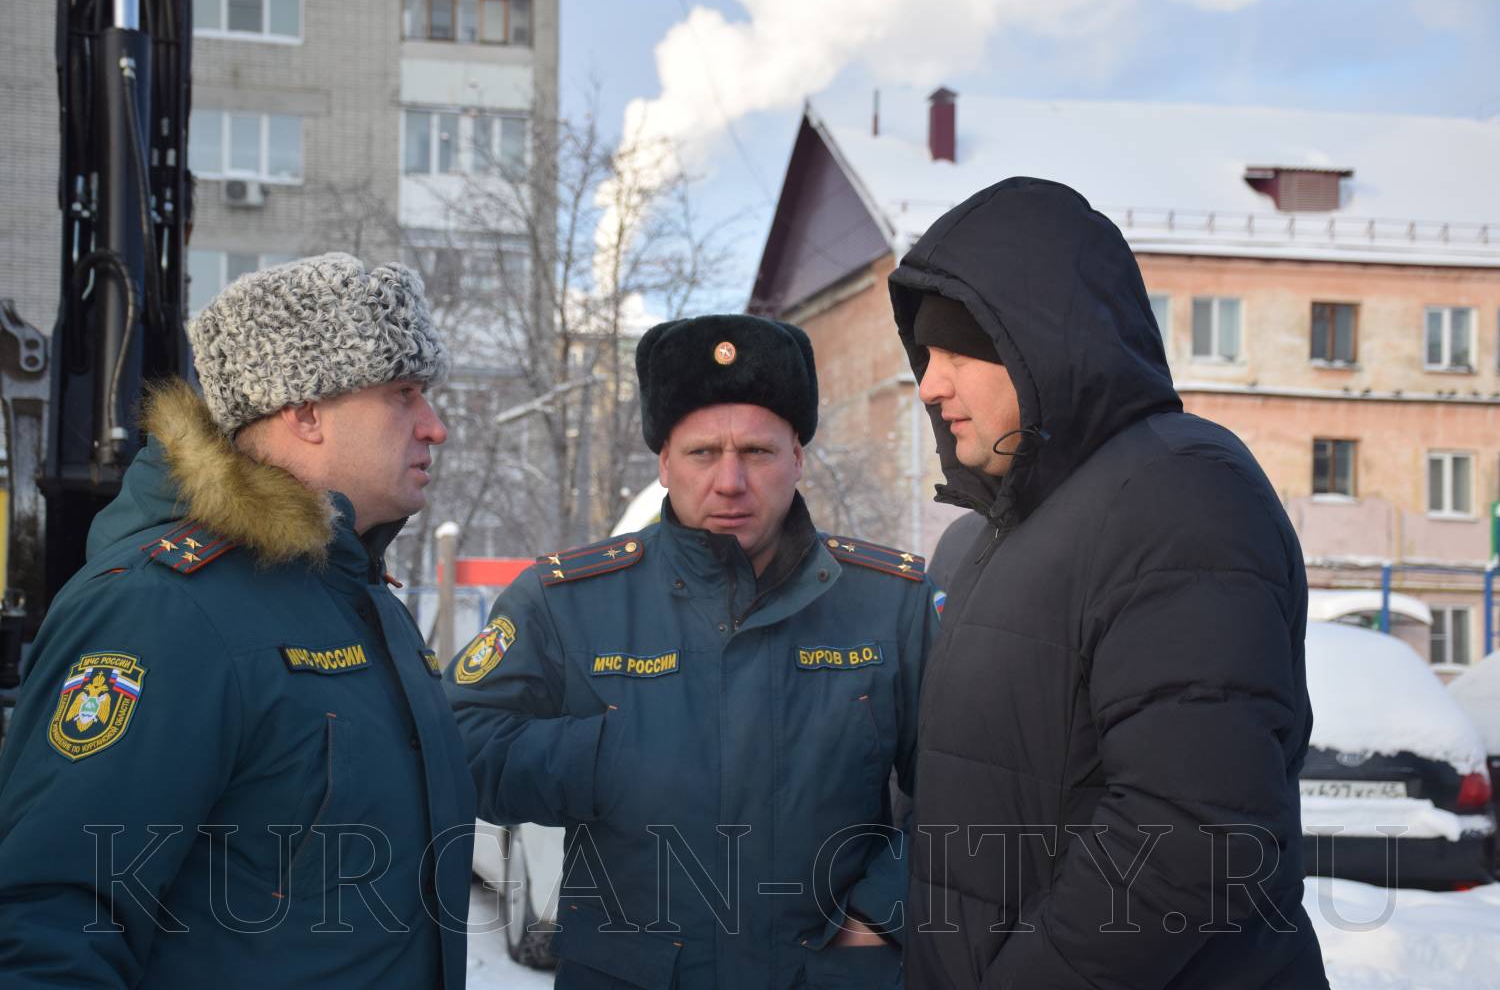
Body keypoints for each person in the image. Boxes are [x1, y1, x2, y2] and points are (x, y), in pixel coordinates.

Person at [887, 179, 1328, 988]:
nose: (929, 385)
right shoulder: (993, 538)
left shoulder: (1177, 492)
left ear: (1038, 343)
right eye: (924, 357)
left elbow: (1191, 832)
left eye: (957, 353)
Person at [0, 254, 476, 989]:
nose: (434, 428)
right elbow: (50, 925)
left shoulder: (361, 596)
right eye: (403, 393)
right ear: (305, 410)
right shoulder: (161, 609)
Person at [447, 314, 940, 989]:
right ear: (664, 464)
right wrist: (607, 756)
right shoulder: (566, 602)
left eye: (758, 452)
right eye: (703, 452)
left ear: (798, 457)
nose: (730, 481)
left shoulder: (891, 604)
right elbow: (460, 740)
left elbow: (968, 785)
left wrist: (881, 913)